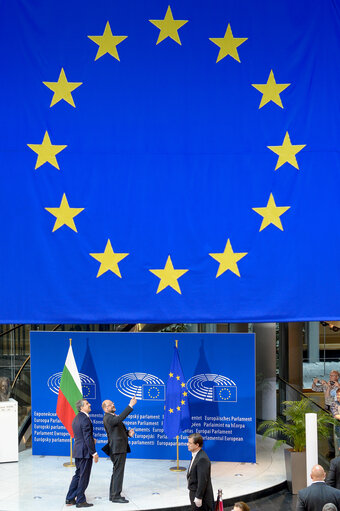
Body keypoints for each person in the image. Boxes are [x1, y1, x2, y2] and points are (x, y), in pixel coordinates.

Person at [102, 396, 137, 503]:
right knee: (118, 472)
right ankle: (116, 496)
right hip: (117, 449)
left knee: (117, 471)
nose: (113, 405)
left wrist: (128, 434)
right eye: (110, 404)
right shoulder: (108, 417)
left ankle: (113, 494)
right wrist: (130, 405)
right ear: (105, 408)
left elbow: (116, 432)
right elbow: (119, 419)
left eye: (113, 402)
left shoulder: (111, 417)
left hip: (119, 448)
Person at [65, 399, 98, 508]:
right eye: (87, 404)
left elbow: (82, 436)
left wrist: (90, 440)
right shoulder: (85, 419)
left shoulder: (76, 418)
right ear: (81, 407)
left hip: (78, 451)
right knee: (84, 476)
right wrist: (94, 453)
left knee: (78, 475)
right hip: (85, 452)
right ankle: (80, 500)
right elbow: (87, 437)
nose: (90, 405)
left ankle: (70, 498)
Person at [187, 433, 214, 511]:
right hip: (194, 491)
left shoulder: (202, 459)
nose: (187, 444)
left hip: (200, 496)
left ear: (197, 445)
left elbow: (203, 480)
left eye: (190, 443)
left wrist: (198, 497)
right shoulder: (195, 455)